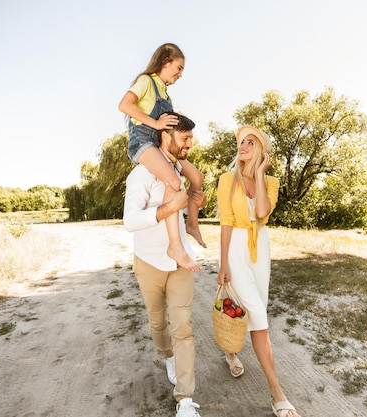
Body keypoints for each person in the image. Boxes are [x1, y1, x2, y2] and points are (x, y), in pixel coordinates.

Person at [123, 112, 204, 417]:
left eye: (191, 138)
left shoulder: (178, 172)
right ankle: (166, 355)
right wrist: (169, 207)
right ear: (165, 136)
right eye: (185, 137)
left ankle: (185, 400)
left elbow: (188, 197)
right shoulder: (141, 175)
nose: (190, 144)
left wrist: (192, 206)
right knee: (158, 323)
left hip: (181, 262)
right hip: (149, 263)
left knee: (183, 326)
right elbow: (130, 221)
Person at [216, 126, 300, 417]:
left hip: (260, 247)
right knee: (257, 314)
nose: (243, 146)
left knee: (253, 307)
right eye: (241, 142)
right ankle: (277, 393)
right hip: (237, 245)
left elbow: (262, 212)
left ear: (262, 152)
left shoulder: (271, 181)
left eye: (250, 143)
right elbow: (226, 222)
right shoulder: (227, 179)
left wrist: (261, 175)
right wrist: (223, 262)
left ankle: (230, 350)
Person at [119, 42, 205, 273]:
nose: (180, 74)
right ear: (165, 62)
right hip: (143, 143)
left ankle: (193, 225)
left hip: (159, 144)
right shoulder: (146, 81)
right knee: (174, 182)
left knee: (196, 178)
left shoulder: (165, 93)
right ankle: (175, 246)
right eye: (178, 68)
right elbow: (124, 105)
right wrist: (156, 123)